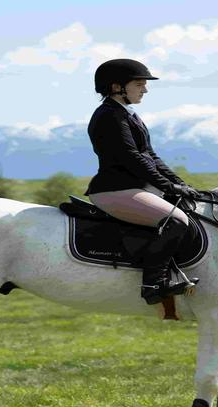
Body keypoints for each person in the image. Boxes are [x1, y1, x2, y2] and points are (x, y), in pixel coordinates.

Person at [86, 59, 200, 305]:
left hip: (133, 188)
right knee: (176, 221)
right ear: (117, 87)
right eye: (139, 84)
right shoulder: (109, 116)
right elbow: (132, 158)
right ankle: (153, 283)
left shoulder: (126, 114)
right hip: (115, 190)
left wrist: (180, 184)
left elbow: (150, 156)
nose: (145, 90)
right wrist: (168, 187)